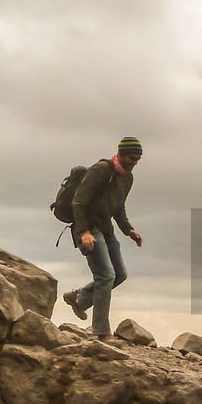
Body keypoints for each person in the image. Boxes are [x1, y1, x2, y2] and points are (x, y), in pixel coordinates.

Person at [62, 136, 144, 337]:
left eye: (137, 160)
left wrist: (128, 230)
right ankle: (99, 331)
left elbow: (119, 207)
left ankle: (80, 297)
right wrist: (84, 232)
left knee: (120, 274)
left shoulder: (127, 178)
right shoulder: (100, 170)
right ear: (121, 154)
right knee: (105, 276)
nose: (134, 163)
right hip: (88, 228)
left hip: (106, 229)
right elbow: (78, 202)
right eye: (132, 158)